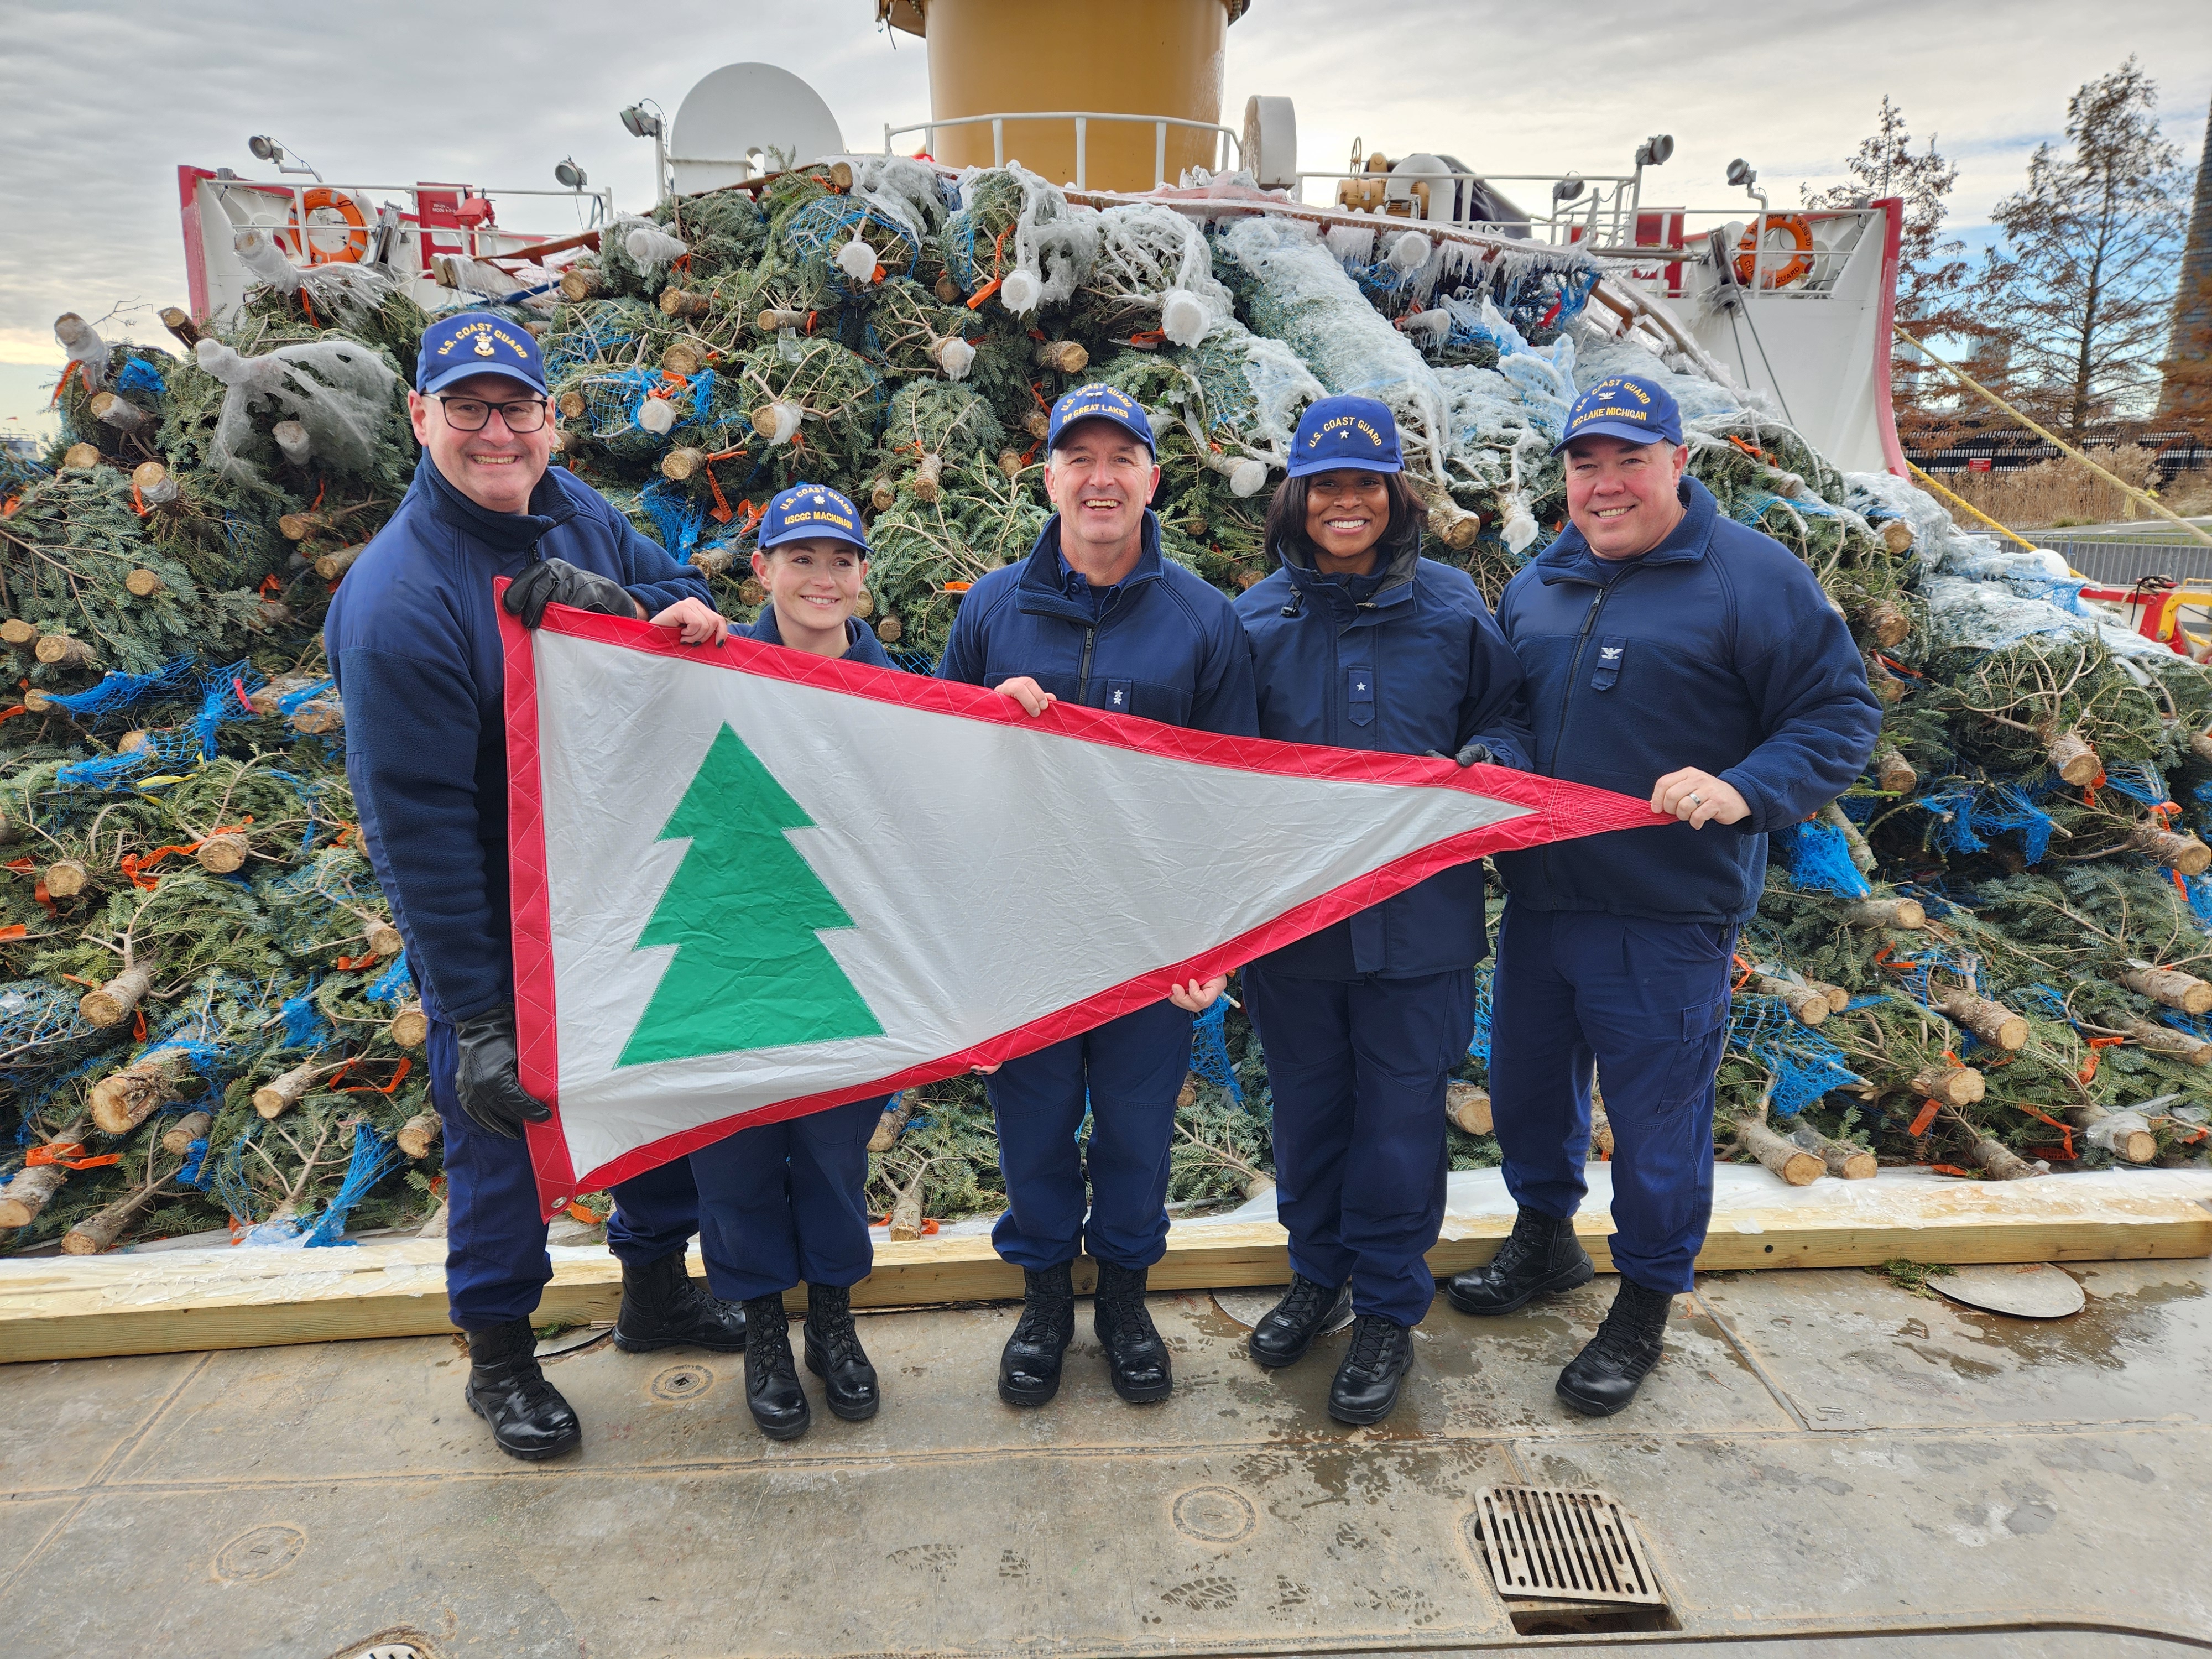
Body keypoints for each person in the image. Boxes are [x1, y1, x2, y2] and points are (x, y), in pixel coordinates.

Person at [325, 312, 739, 1462]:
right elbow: (418, 832)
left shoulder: (576, 512)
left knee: (652, 1092)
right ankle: (500, 1354)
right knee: (497, 1134)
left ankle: (655, 1292)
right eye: (466, 408)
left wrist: (646, 612)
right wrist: (480, 1015)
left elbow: (679, 600)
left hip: (613, 880)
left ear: (551, 420)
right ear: (421, 419)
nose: (495, 432)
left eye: (517, 408)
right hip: (497, 920)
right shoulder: (399, 601)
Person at [1452, 373, 1880, 1415]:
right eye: (1584, 464)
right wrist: (1487, 756)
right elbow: (1508, 706)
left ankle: (1645, 1298)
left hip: (1667, 914)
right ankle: (1545, 1241)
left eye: (1629, 461)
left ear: (1678, 464)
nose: (1605, 486)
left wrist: (1742, 789)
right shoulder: (1542, 579)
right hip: (1544, 904)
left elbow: (1837, 719)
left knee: (1656, 1125)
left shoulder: (1752, 579)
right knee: (1529, 1095)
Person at [937, 384, 1259, 1408]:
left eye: (1122, 458)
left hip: (1146, 938)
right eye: (1080, 458)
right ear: (1049, 480)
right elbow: (938, 768)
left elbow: (1233, 793)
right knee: (1031, 1129)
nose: (1101, 477)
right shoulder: (990, 610)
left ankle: (1122, 1296)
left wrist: (1218, 941)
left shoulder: (1203, 619)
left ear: (1153, 479)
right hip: (1026, 931)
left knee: (1133, 1131)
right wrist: (986, 722)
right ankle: (1043, 1300)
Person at [1233, 396, 1531, 1425]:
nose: (1344, 503)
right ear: (1297, 499)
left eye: (1363, 484)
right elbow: (1219, 767)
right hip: (1300, 926)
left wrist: (1491, 762)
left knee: (1400, 1126)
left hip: (1420, 927)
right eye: (1325, 485)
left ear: (1394, 496)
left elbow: (1505, 716)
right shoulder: (1254, 620)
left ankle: (1389, 1314)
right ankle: (1318, 1278)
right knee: (1310, 1116)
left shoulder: (1451, 607)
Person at [687, 482, 896, 1441]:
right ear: (761, 569)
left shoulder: (903, 692)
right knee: (733, 1157)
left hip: (841, 962)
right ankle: (765, 1329)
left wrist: (1009, 713)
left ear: (862, 575)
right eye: (799, 559)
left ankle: (835, 1325)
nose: (821, 578)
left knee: (829, 1155)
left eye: (840, 560)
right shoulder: (705, 667)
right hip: (726, 959)